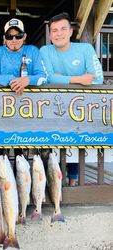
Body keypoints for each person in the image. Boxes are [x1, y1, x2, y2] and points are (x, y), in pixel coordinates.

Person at [40, 12, 104, 186]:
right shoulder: (45, 50)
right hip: (53, 107)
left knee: (75, 142)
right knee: (50, 144)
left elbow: (97, 79)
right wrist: (77, 79)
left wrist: (61, 77)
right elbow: (47, 78)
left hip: (80, 109)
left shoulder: (85, 49)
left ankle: (73, 181)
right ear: (50, 34)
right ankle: (51, 185)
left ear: (71, 31)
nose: (59, 33)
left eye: (63, 29)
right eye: (54, 30)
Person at [0, 18, 47, 95]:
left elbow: (43, 77)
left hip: (30, 100)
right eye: (9, 36)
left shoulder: (33, 50)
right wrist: (11, 80)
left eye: (18, 36)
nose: (14, 40)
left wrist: (27, 80)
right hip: (2, 99)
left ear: (24, 36)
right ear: (4, 38)